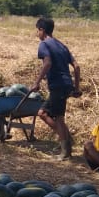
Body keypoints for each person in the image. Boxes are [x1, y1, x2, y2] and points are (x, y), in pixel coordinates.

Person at [30, 16, 81, 160]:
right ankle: (66, 139)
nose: (37, 34)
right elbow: (76, 67)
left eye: (37, 31)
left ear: (42, 30)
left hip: (58, 85)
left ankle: (65, 151)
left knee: (57, 117)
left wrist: (37, 82)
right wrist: (76, 88)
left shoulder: (44, 44)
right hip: (66, 85)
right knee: (43, 113)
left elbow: (47, 64)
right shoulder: (61, 45)